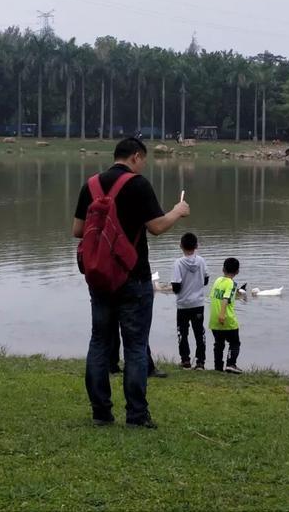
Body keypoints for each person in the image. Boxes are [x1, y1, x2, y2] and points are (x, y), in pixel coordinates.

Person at [73, 137, 190, 429]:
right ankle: (136, 416)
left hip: (99, 277)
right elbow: (157, 227)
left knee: (99, 342)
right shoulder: (138, 184)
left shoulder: (91, 185)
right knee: (135, 347)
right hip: (134, 277)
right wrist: (178, 211)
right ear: (136, 156)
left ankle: (101, 412)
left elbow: (77, 230)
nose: (143, 165)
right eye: (144, 160)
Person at [171, 232, 208, 370]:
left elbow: (176, 285)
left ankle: (185, 360)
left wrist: (179, 292)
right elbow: (206, 280)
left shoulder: (178, 263)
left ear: (181, 246)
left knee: (182, 333)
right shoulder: (201, 261)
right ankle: (200, 362)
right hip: (198, 304)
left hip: (183, 305)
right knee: (199, 333)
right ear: (196, 246)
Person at [209, 257, 242, 374]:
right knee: (234, 343)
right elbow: (225, 299)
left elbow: (212, 297)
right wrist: (222, 315)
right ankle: (231, 364)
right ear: (237, 271)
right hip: (227, 319)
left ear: (223, 269)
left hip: (214, 320)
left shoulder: (217, 280)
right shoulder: (232, 284)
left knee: (218, 344)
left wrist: (217, 315)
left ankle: (218, 367)